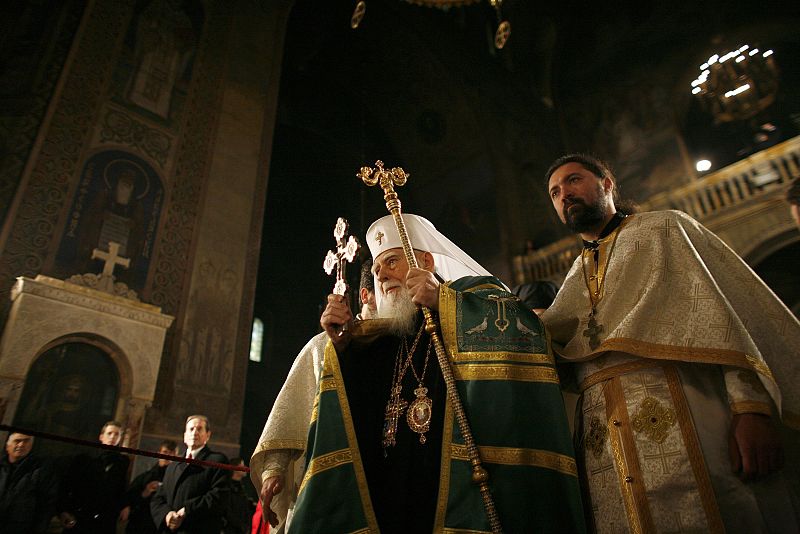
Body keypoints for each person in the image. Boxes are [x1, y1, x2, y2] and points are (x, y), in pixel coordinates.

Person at [542, 153, 800, 533]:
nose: (564, 194)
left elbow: (725, 321)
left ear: (607, 184)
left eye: (574, 180)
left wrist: (752, 409)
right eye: (554, 192)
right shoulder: (577, 273)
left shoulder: (665, 229)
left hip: (690, 413)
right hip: (603, 442)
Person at [282, 214, 585, 533]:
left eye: (391, 261)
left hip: (456, 489)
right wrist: (344, 344)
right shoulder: (386, 338)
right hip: (391, 488)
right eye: (376, 269)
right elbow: (362, 397)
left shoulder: (473, 297)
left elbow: (526, 335)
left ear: (424, 261)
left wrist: (443, 299)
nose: (381, 275)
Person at [250, 258, 377, 533]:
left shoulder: (405, 346)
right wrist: (274, 469)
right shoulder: (321, 347)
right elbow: (290, 411)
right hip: (323, 487)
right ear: (366, 295)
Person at [150, 415, 230, 533]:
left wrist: (187, 510)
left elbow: (219, 496)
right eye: (191, 429)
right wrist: (167, 515)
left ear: (208, 435)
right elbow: (158, 498)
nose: (195, 432)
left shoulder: (217, 461)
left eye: (199, 429)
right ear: (184, 436)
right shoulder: (173, 465)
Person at [59, 421, 130, 533]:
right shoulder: (85, 458)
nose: (113, 437)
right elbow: (67, 484)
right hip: (81, 514)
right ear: (101, 436)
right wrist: (63, 510)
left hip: (106, 518)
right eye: (110, 433)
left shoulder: (122, 462)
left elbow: (121, 486)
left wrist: (125, 505)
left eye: (117, 434)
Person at [0, 432, 58, 533]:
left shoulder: (41, 472)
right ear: (7, 445)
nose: (21, 445)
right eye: (17, 441)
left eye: (26, 441)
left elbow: (45, 506)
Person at [123, 439, 179, 534]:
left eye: (171, 454)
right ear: (158, 453)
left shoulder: (178, 480)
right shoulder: (145, 477)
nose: (167, 456)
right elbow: (129, 499)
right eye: (165, 452)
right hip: (141, 524)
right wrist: (146, 492)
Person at [223, 457, 257, 534]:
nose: (245, 468)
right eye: (242, 465)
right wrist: (242, 526)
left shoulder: (240, 486)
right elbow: (228, 510)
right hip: (232, 530)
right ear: (235, 468)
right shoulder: (228, 487)